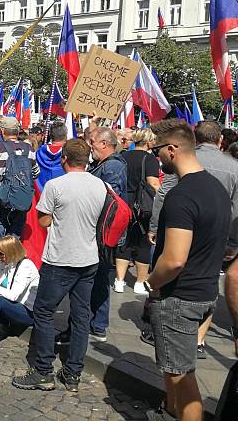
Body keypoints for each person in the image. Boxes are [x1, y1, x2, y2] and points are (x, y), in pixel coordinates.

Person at [144, 119, 230, 421]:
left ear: (172, 149)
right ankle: (169, 411)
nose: (156, 158)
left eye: (157, 151)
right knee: (174, 368)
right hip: (205, 291)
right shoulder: (216, 188)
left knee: (183, 377)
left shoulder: (182, 195)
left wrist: (150, 283)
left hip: (181, 297)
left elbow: (174, 259)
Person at [12, 138, 105, 392]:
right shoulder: (100, 185)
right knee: (81, 315)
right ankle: (73, 372)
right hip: (88, 259)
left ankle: (43, 370)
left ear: (64, 158)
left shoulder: (55, 185)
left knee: (44, 312)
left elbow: (43, 222)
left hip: (60, 258)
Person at [0, 116, 39, 275]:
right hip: (20, 201)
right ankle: (11, 280)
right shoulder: (29, 149)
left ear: (2, 131)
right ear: (17, 131)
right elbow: (36, 173)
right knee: (13, 243)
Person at [84, 126, 127, 343]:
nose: (90, 147)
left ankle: (98, 324)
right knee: (96, 278)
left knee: (98, 278)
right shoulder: (103, 164)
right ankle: (94, 323)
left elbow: (110, 200)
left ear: (104, 144)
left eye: (93, 143)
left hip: (101, 232)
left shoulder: (112, 167)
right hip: (98, 231)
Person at [114, 128, 160, 295]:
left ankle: (119, 280)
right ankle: (140, 282)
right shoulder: (150, 159)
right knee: (143, 244)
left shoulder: (123, 156)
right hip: (142, 208)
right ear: (148, 142)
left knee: (123, 243)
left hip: (123, 203)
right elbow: (153, 184)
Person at [35, 121, 66, 191]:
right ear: (65, 135)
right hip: (63, 195)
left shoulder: (38, 153)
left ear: (50, 135)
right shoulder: (69, 153)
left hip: (42, 194)